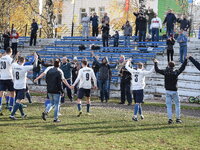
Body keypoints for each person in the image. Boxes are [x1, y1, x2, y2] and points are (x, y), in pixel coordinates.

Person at [154, 58, 188, 124]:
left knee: (169, 106)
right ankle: (178, 119)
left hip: (167, 91)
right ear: (174, 66)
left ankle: (170, 119)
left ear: (168, 65)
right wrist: (186, 60)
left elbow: (157, 70)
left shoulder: (165, 72)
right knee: (177, 105)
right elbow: (182, 67)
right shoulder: (175, 72)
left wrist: (155, 62)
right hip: (174, 91)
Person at [9, 53, 38, 120]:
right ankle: (12, 115)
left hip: (15, 85)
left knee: (18, 101)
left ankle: (22, 114)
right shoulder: (24, 67)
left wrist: (15, 56)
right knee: (18, 101)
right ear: (24, 61)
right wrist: (36, 58)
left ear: (18, 60)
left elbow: (12, 62)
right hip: (22, 86)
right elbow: (35, 66)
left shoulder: (14, 65)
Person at [0, 48, 17, 115]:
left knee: (1, 93)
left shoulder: (1, 58)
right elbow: (13, 65)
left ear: (5, 52)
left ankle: (0, 107)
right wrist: (15, 58)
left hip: (2, 77)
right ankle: (11, 108)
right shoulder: (9, 58)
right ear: (11, 52)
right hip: (9, 78)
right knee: (12, 93)